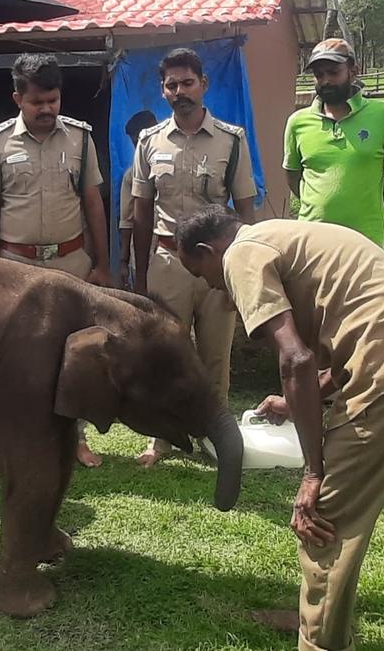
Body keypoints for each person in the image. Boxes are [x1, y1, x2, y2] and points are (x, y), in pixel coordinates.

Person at [176, 205, 384, 651]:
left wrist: (314, 472)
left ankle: (318, 642)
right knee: (344, 514)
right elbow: (346, 344)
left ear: (207, 250)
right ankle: (319, 619)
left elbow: (296, 358)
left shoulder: (241, 254)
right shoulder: (287, 233)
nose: (214, 288)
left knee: (322, 516)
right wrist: (294, 406)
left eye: (203, 274)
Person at [0, 53, 113, 476]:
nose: (47, 109)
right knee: (10, 359)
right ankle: (0, 445)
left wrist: (103, 263)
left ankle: (76, 439)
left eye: (53, 100)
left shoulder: (80, 139)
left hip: (70, 262)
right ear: (18, 98)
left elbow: (93, 201)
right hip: (15, 266)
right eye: (37, 102)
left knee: (76, 354)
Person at [130, 48, 257, 467]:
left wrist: (246, 268)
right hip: (166, 262)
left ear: (204, 84)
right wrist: (140, 267)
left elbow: (244, 210)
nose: (179, 91)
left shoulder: (232, 139)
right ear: (162, 90)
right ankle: (162, 438)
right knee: (164, 352)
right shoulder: (149, 142)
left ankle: (214, 434)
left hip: (218, 266)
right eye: (171, 85)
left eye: (187, 82)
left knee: (216, 354)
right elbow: (141, 210)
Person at [284, 38, 384, 249]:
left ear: (353, 71)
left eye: (333, 72)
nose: (325, 81)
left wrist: (371, 205)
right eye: (319, 75)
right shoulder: (298, 122)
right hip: (313, 241)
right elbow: (292, 175)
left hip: (366, 241)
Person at [117, 110, 158, 289]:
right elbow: (127, 222)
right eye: (135, 143)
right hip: (143, 255)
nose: (139, 148)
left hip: (171, 253)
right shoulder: (131, 175)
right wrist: (123, 262)